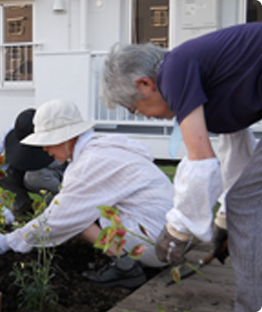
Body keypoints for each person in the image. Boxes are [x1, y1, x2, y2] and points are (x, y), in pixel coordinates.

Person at [99, 22, 262, 311]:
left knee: (247, 203)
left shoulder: (174, 70)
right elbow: (236, 146)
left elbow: (201, 160)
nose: (145, 118)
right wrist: (225, 217)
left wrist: (178, 231)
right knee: (246, 202)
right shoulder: (196, 75)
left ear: (145, 84)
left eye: (136, 110)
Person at [0, 99, 172, 288]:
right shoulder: (101, 146)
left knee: (76, 215)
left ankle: (125, 268)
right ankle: (125, 260)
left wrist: (7, 242)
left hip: (154, 243)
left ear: (65, 138)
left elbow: (57, 219)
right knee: (80, 210)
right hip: (172, 238)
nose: (44, 149)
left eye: (47, 142)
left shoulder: (89, 162)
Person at [0, 108, 66, 216]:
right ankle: (22, 206)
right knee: (2, 172)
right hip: (27, 172)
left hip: (53, 175)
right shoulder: (14, 132)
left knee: (34, 177)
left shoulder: (59, 137)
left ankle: (55, 209)